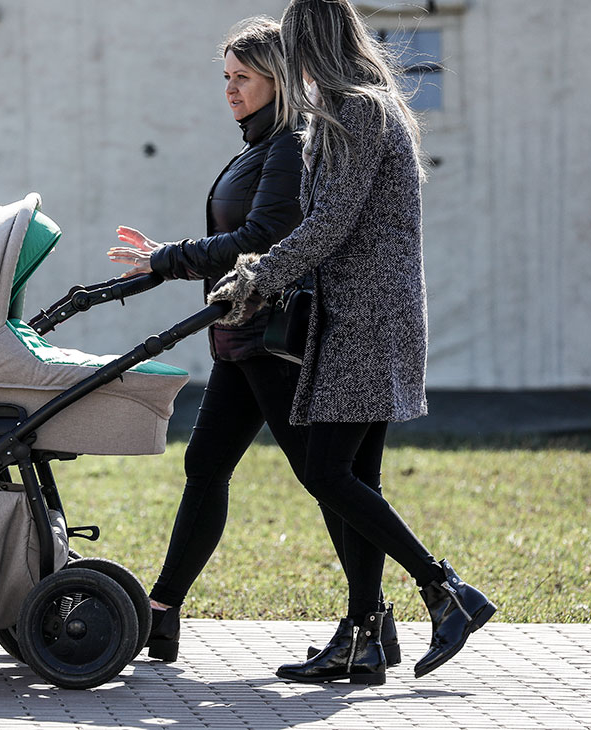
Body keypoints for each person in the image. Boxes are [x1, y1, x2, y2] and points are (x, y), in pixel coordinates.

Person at [209, 0, 496, 684]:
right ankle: (363, 639)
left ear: (313, 46)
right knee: (354, 477)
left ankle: (444, 589)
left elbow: (331, 221)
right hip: (357, 313)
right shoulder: (349, 111)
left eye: (294, 52)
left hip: (368, 319)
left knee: (327, 472)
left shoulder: (361, 111)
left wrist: (256, 274)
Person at [109, 16, 401, 667]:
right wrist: (165, 259)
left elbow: (262, 237)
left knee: (329, 480)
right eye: (226, 78)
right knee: (207, 464)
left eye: (243, 77)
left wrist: (167, 258)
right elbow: (238, 236)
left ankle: (371, 623)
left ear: (279, 78)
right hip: (240, 335)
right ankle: (164, 611)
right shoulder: (257, 146)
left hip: (275, 338)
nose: (231, 90)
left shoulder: (290, 144)